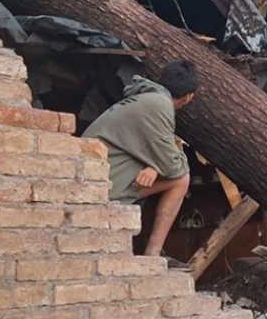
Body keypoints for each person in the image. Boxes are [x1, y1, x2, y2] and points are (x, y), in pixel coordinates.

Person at [82, 60, 197, 258]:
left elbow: (152, 149)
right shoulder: (159, 106)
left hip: (94, 175)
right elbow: (173, 166)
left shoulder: (145, 99)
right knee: (181, 179)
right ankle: (153, 253)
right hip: (99, 184)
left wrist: (153, 166)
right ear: (188, 97)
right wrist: (159, 165)